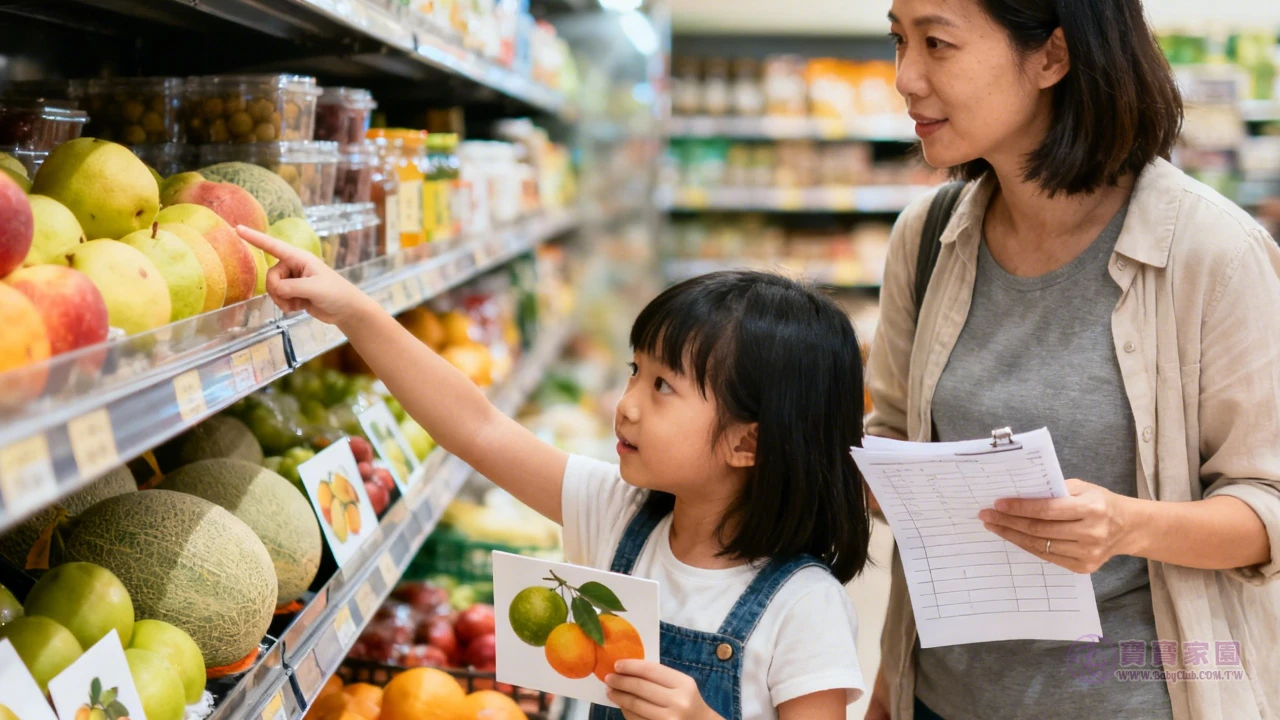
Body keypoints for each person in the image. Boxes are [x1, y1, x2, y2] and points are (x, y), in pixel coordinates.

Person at [239, 227, 870, 720]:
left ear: (746, 443)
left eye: (662, 386)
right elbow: (478, 429)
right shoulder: (621, 512)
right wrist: (354, 311)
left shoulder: (804, 607)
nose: (626, 403)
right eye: (633, 370)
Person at [864, 1, 1280, 719]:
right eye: (899, 41)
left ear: (1051, 58)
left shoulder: (1211, 253)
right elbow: (896, 440)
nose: (906, 77)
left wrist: (1125, 525)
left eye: (937, 43)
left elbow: (1268, 504)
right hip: (940, 696)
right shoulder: (927, 238)